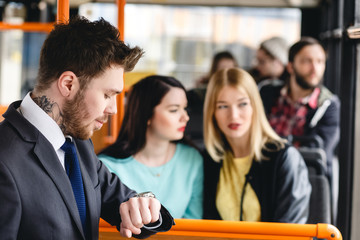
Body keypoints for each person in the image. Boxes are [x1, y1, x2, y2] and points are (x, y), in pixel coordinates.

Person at [0, 16, 174, 239]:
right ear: (68, 84)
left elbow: (127, 204)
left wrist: (144, 207)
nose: (113, 109)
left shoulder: (78, 145)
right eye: (107, 95)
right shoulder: (5, 160)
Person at [203, 67, 311, 223]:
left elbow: (290, 233)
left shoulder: (284, 158)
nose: (233, 115)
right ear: (212, 112)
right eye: (223, 106)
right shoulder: (211, 159)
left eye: (242, 104)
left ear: (255, 107)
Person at [98, 75, 204, 219]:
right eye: (174, 110)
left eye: (184, 108)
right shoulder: (106, 167)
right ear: (146, 114)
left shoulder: (192, 159)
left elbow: (194, 225)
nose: (185, 117)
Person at [259, 37, 340, 183]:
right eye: (306, 61)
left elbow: (316, 151)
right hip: (263, 175)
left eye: (320, 62)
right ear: (290, 66)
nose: (314, 68)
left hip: (304, 180)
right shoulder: (267, 93)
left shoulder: (328, 105)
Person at [186, 51, 238, 149]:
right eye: (222, 69)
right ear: (214, 70)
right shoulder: (199, 93)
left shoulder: (240, 92)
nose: (227, 73)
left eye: (231, 69)